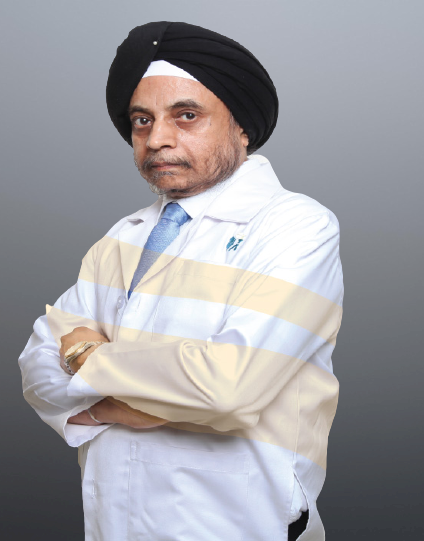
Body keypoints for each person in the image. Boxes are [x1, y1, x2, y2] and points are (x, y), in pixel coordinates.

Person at [19, 21, 343, 541]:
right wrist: (125, 401)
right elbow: (36, 368)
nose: (158, 139)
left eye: (186, 115)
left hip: (238, 526)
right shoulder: (122, 238)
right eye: (141, 120)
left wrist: (86, 360)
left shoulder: (296, 227)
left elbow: (228, 389)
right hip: (113, 523)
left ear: (243, 126)